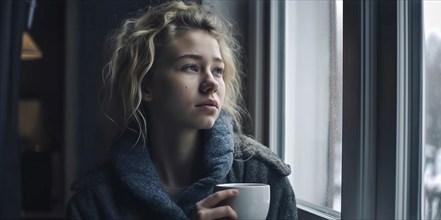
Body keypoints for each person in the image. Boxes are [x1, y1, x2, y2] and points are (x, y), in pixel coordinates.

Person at [66, 1, 297, 219]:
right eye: (191, 67)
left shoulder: (262, 177)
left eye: (217, 70)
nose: (211, 83)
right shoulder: (96, 202)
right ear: (147, 85)